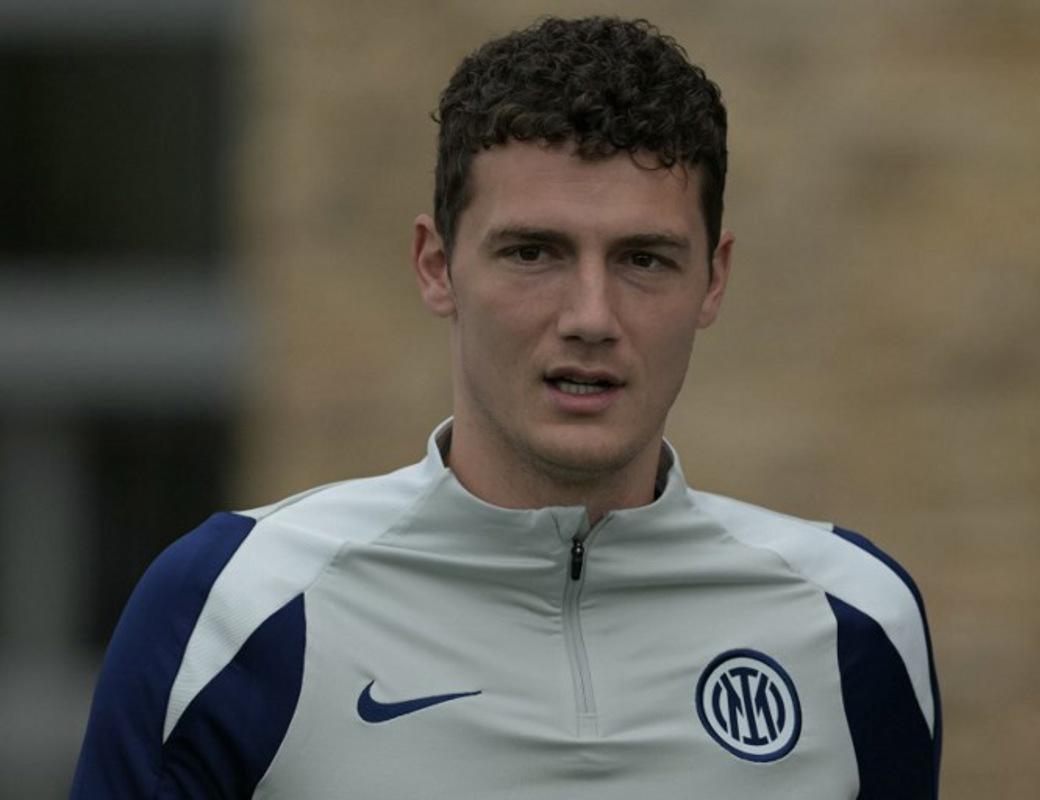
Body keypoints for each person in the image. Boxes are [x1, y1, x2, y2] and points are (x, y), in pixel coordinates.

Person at [71, 16, 941, 799]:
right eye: (534, 252)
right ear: (436, 264)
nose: (591, 318)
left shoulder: (851, 620)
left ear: (713, 279)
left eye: (644, 259)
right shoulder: (232, 609)